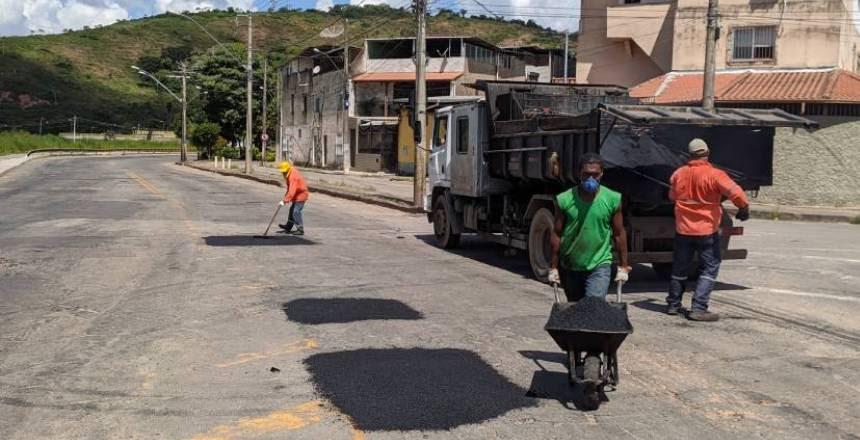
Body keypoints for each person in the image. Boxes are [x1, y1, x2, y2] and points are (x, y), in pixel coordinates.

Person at [667, 138, 750, 321]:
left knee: (680, 268)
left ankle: (673, 305)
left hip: (683, 229)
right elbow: (735, 192)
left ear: (689, 155)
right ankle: (698, 308)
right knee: (709, 268)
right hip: (706, 231)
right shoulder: (715, 175)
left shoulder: (678, 174)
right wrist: (743, 207)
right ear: (707, 153)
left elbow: (672, 196)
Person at [549, 153, 631, 302]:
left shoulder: (612, 199)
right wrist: (553, 267)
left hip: (599, 263)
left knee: (594, 305)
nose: (591, 179)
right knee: (575, 308)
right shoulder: (565, 199)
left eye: (595, 175)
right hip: (571, 263)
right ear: (579, 173)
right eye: (586, 174)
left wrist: (623, 266)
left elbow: (619, 233)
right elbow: (557, 233)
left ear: (602, 174)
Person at [277, 161, 309, 236]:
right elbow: (289, 189)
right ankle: (288, 227)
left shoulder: (293, 176)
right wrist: (285, 198)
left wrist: (284, 201)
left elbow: (292, 191)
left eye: (284, 172)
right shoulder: (290, 172)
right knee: (292, 211)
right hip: (297, 195)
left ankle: (300, 229)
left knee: (296, 212)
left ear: (288, 169)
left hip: (301, 195)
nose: (283, 173)